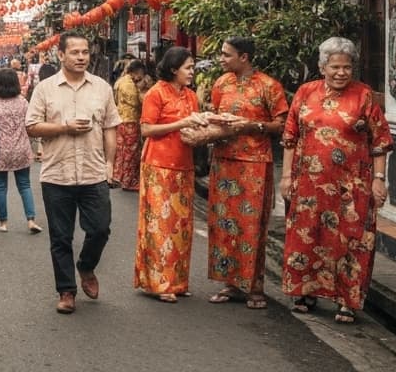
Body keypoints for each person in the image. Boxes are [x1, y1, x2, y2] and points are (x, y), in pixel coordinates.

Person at [281, 37, 392, 324]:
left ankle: (348, 301)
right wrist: (285, 177)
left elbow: (380, 141)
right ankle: (306, 293)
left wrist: (379, 179)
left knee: (351, 241)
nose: (341, 72)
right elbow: (290, 138)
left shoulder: (364, 96)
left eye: (347, 67)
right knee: (308, 236)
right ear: (322, 67)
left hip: (352, 186)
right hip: (308, 183)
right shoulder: (306, 93)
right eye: (335, 67)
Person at [25, 33, 119, 315]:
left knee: (100, 229)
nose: (81, 57)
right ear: (61, 55)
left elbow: (111, 128)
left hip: (93, 171)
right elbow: (32, 126)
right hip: (57, 174)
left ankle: (86, 266)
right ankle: (66, 291)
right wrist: (64, 127)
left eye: (85, 52)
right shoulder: (45, 89)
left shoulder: (102, 88)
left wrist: (110, 164)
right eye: (75, 52)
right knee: (60, 237)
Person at [205, 37, 289, 309]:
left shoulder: (269, 86)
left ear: (244, 57)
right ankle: (230, 282)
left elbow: (282, 125)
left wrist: (252, 126)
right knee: (224, 224)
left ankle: (254, 287)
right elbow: (215, 113)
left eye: (226, 54)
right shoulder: (221, 83)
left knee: (252, 226)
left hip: (254, 163)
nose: (221, 59)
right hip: (223, 161)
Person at [133, 46, 208, 303]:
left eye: (192, 68)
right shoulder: (156, 93)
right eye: (188, 68)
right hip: (158, 166)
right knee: (160, 226)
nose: (192, 72)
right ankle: (158, 283)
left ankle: (177, 281)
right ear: (174, 69)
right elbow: (146, 129)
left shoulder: (191, 96)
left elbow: (194, 127)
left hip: (184, 165)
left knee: (182, 226)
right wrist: (182, 124)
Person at [0, 68, 41, 234]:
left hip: (0, 150)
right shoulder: (23, 102)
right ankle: (31, 220)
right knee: (24, 185)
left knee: (0, 187)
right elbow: (30, 122)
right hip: (21, 148)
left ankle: (3, 223)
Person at [110, 61, 146, 191]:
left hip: (122, 120)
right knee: (131, 152)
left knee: (122, 151)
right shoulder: (129, 84)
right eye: (140, 73)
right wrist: (141, 89)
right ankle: (128, 181)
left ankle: (118, 177)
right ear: (135, 72)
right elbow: (136, 102)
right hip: (130, 121)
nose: (141, 76)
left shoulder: (120, 81)